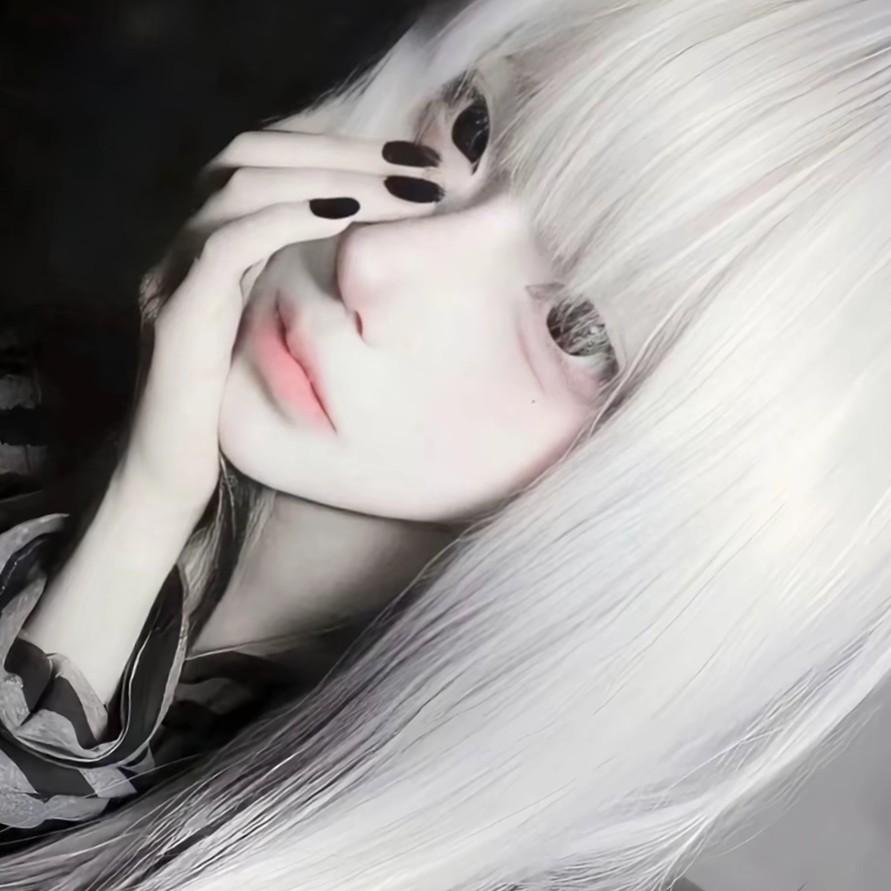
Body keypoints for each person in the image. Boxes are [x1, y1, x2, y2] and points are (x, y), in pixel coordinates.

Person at [0, 0, 889, 888]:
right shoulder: (36, 389)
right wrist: (138, 520)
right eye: (473, 129)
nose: (376, 262)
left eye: (576, 328)